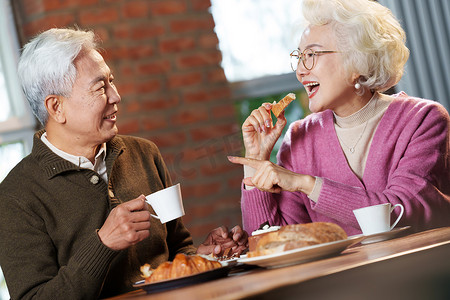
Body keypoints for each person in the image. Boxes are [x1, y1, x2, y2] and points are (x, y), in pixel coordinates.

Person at [0, 28, 247, 299]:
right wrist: (103, 244)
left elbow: (177, 250)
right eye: (99, 88)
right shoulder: (15, 197)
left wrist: (201, 257)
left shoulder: (144, 153)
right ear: (56, 108)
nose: (116, 96)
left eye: (111, 81)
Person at [228, 0, 450, 235]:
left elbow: (401, 213)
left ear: (357, 59)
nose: (301, 70)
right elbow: (272, 241)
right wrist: (256, 159)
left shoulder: (423, 120)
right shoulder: (298, 139)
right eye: (299, 56)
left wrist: (306, 183)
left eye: (312, 54)